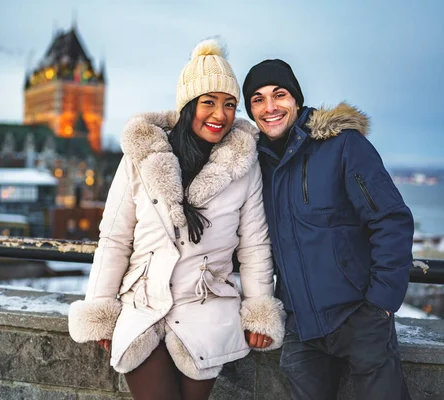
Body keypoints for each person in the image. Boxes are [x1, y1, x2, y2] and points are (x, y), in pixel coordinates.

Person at [68, 39, 285, 400]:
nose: (220, 115)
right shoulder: (142, 155)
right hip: (142, 308)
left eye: (229, 105)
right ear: (188, 105)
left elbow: (255, 244)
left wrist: (258, 312)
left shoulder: (243, 167)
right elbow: (114, 237)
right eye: (209, 102)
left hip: (207, 309)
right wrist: (101, 310)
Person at [242, 59, 414, 400]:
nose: (270, 107)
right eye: (258, 99)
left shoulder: (342, 145)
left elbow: (391, 220)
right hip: (301, 326)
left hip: (359, 317)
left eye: (279, 95)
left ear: (297, 99)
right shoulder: (255, 163)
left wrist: (381, 304)